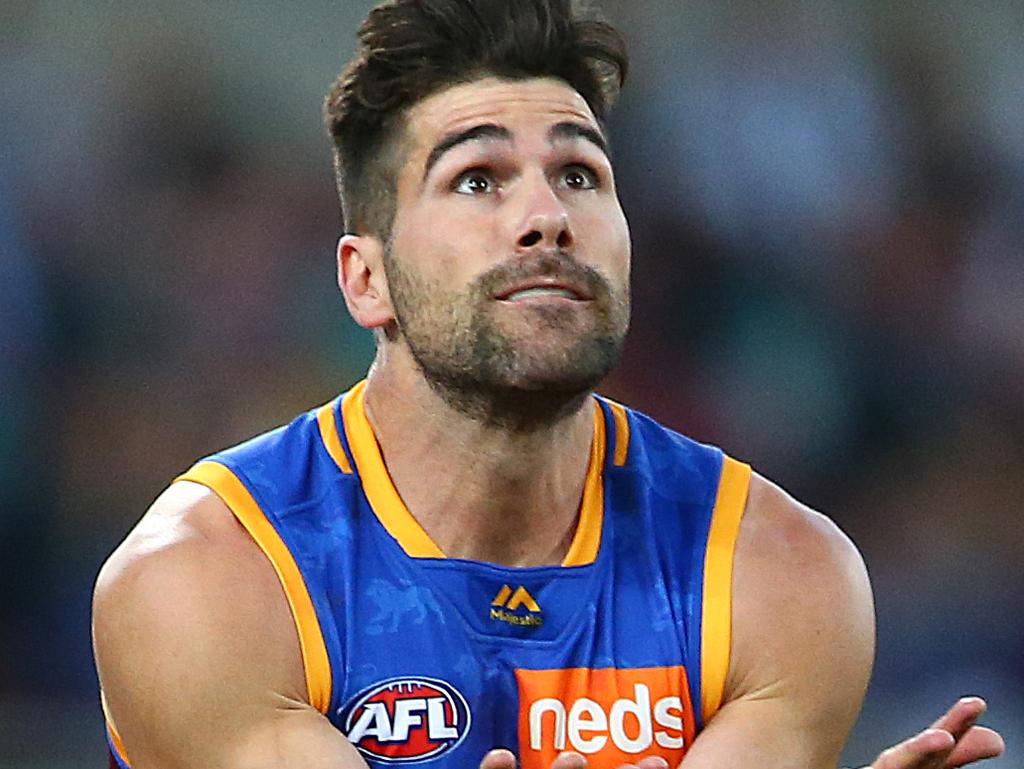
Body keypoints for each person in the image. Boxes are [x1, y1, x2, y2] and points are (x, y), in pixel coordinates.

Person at [91, 2, 1006, 768]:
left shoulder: (780, 572)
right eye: (478, 179)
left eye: (579, 173)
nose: (546, 218)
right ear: (365, 280)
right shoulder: (210, 577)